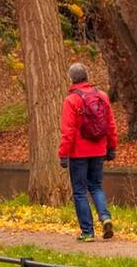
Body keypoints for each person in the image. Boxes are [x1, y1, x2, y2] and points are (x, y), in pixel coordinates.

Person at [58, 62, 118, 242]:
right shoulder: (102, 96)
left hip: (78, 153)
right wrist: (111, 146)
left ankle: (87, 232)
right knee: (96, 186)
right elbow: (111, 124)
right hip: (99, 149)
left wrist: (63, 154)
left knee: (79, 191)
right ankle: (105, 217)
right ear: (87, 76)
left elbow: (68, 131)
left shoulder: (71, 100)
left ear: (71, 79)